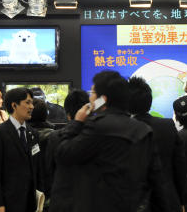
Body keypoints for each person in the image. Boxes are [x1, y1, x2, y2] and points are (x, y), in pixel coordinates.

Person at [55, 71, 168, 212]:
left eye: (93, 92)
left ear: (102, 99)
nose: (90, 97)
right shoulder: (144, 130)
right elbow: (157, 180)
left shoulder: (95, 126)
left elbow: (64, 154)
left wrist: (76, 122)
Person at [128, 76, 186, 212]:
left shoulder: (122, 130)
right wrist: (182, 201)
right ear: (149, 100)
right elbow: (180, 167)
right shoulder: (167, 126)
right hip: (168, 201)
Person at [0, 87, 42, 212]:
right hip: (6, 204)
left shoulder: (33, 134)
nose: (32, 107)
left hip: (29, 204)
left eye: (32, 102)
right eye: (27, 102)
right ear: (14, 105)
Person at [47, 89, 90, 212]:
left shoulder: (55, 137)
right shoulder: (97, 136)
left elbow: (49, 172)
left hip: (62, 202)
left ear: (68, 114)